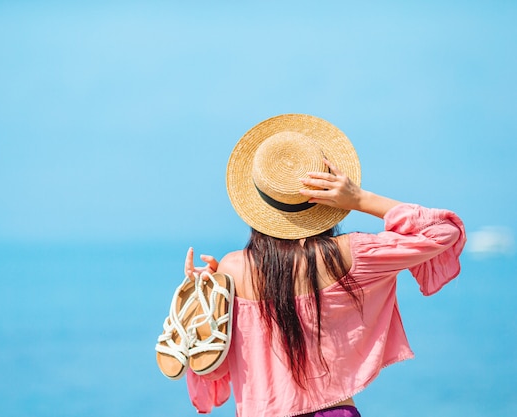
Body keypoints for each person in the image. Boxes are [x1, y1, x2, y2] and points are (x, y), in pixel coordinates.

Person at [181, 114, 466, 417]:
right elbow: (443, 230)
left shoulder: (232, 269)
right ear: (327, 197)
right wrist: (359, 198)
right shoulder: (351, 254)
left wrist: (208, 294)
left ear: (258, 202)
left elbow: (210, 370)